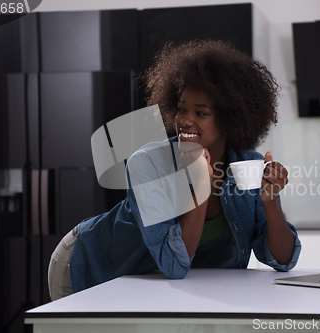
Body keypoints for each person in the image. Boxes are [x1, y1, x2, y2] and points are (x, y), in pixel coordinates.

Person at [48, 39, 301, 301]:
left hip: (167, 289)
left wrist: (271, 203)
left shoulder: (246, 164)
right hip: (89, 266)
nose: (185, 121)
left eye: (200, 113)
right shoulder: (148, 164)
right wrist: (201, 185)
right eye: (181, 109)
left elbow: (282, 261)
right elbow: (174, 265)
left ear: (230, 120)